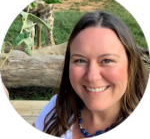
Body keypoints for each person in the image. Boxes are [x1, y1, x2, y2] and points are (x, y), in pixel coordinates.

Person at [2, 11, 149, 138]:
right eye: (80, 60)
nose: (91, 76)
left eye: (107, 60)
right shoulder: (57, 109)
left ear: (131, 64)